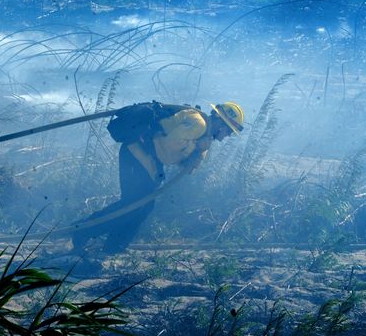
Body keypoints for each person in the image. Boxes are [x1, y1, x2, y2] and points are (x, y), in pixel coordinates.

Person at [71, 100, 245, 254]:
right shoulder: (198, 124)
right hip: (136, 154)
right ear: (222, 125)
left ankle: (112, 248)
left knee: (143, 206)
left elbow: (188, 167)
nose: (225, 138)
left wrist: (199, 150)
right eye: (228, 133)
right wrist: (196, 146)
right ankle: (83, 231)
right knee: (134, 205)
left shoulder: (204, 135)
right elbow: (169, 149)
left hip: (147, 161)